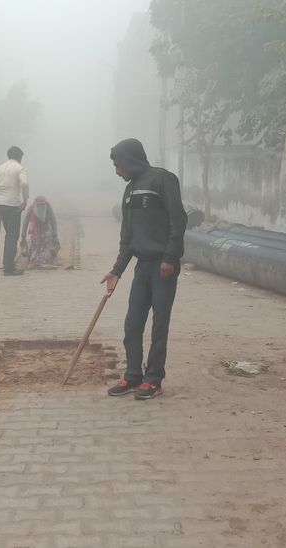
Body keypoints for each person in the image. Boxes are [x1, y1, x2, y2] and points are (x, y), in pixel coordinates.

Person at [101, 138, 188, 400]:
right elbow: (127, 237)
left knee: (159, 325)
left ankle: (153, 379)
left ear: (130, 161)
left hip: (163, 268)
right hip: (142, 267)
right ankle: (132, 375)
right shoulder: (129, 191)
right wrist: (117, 271)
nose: (117, 172)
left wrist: (170, 258)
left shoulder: (163, 180)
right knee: (133, 324)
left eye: (118, 165)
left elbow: (178, 219)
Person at [0, 146, 29, 276]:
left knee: (9, 235)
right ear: (19, 157)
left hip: (1, 205)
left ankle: (7, 263)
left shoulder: (0, 169)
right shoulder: (20, 168)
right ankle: (8, 268)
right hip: (13, 205)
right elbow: (24, 184)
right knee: (12, 237)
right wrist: (25, 200)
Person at [20, 196, 60, 268]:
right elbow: (26, 222)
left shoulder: (48, 208)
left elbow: (53, 222)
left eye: (42, 205)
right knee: (36, 244)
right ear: (36, 204)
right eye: (39, 205)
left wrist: (55, 235)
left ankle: (44, 260)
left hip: (46, 230)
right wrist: (23, 236)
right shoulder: (32, 208)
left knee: (46, 244)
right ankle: (36, 260)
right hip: (36, 230)